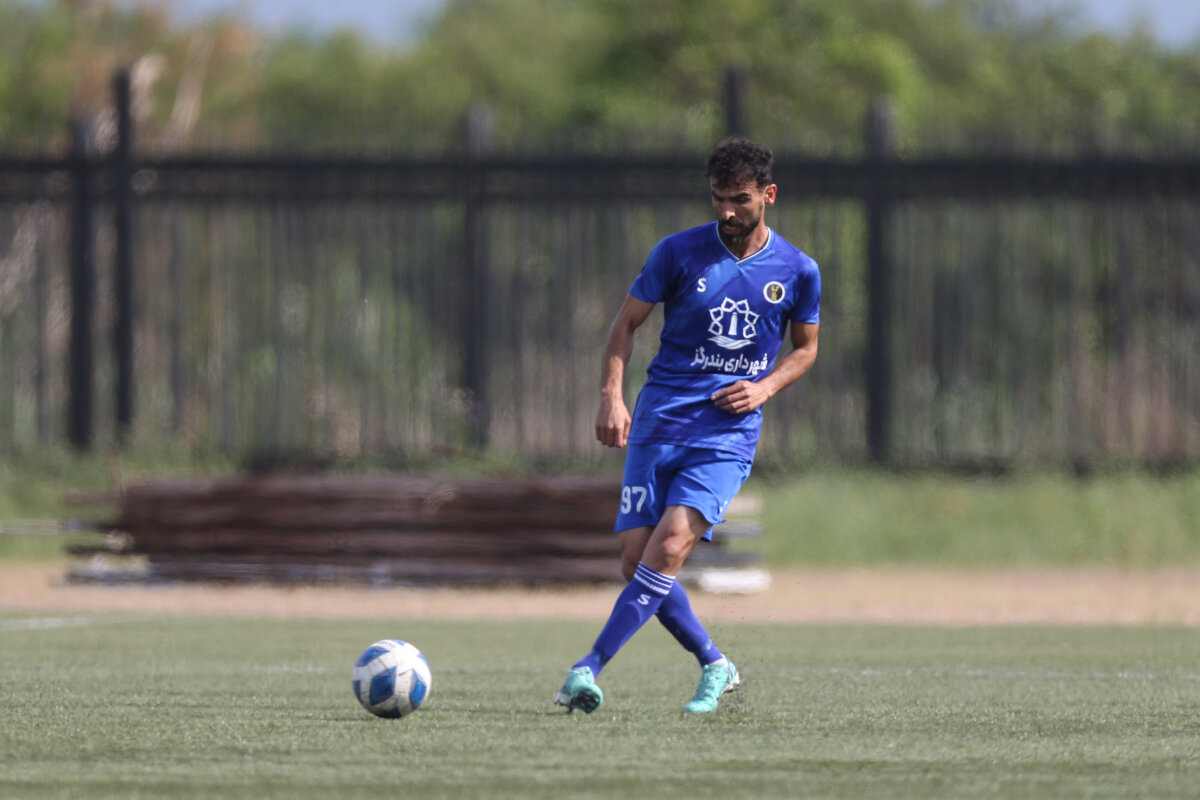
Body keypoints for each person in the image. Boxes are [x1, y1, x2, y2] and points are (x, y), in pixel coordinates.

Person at [555, 136, 821, 714]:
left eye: (740, 200)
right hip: (658, 420)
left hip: (725, 434)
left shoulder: (798, 270)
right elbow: (625, 325)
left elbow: (806, 349)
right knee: (636, 559)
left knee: (670, 545)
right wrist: (611, 397)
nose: (727, 211)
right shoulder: (677, 253)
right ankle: (716, 664)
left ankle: (587, 667)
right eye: (718, 198)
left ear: (769, 195)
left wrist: (765, 387)